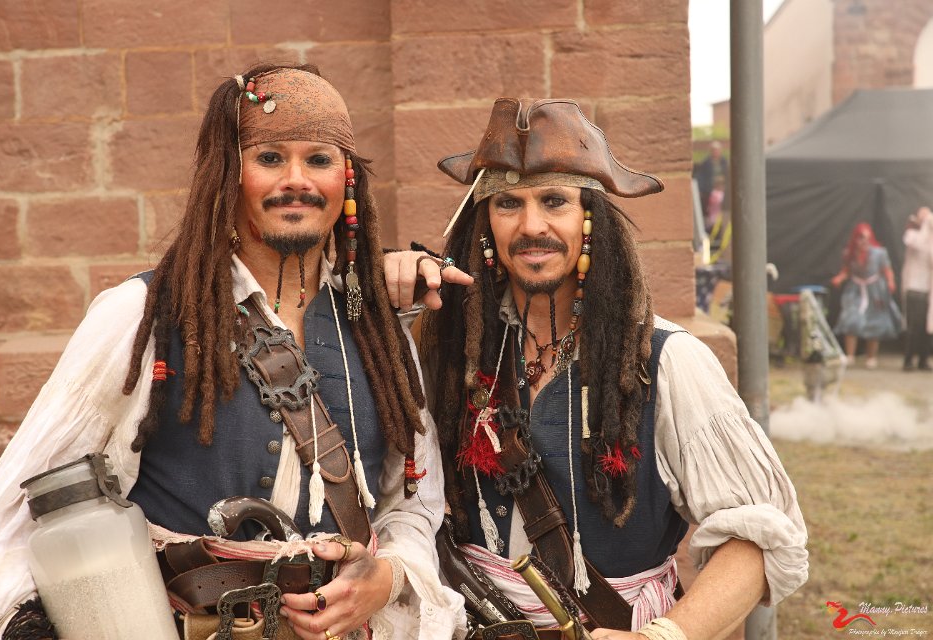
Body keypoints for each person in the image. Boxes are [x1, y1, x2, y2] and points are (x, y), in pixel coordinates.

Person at [0, 64, 463, 640]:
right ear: (229, 175)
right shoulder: (140, 315)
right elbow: (16, 512)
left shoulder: (378, 333)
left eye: (319, 160)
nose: (297, 180)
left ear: (346, 181)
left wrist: (387, 577)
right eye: (270, 158)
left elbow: (413, 504)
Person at [385, 98, 808, 640]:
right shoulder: (449, 347)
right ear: (485, 222)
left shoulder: (666, 359)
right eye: (508, 203)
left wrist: (661, 638)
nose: (531, 225)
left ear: (591, 219)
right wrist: (381, 290)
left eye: (554, 201)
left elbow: (759, 536)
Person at [830, 222, 902, 369]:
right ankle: (850, 355)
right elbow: (847, 270)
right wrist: (840, 278)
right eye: (861, 238)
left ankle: (871, 357)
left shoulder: (879, 253)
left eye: (867, 238)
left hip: (875, 291)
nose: (864, 242)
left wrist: (890, 282)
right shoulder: (849, 253)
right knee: (851, 319)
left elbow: (887, 269)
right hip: (856, 290)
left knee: (874, 322)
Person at [901, 206, 933, 371]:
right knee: (914, 325)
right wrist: (926, 225)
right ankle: (908, 360)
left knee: (928, 327)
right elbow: (917, 244)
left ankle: (923, 360)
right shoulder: (912, 234)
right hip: (914, 287)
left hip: (929, 289)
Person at [692, 141, 728, 218]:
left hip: (723, 188)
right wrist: (700, 189)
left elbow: (727, 174)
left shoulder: (724, 162)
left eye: (717, 150)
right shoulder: (706, 163)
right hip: (710, 188)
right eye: (714, 150)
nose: (716, 152)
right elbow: (700, 176)